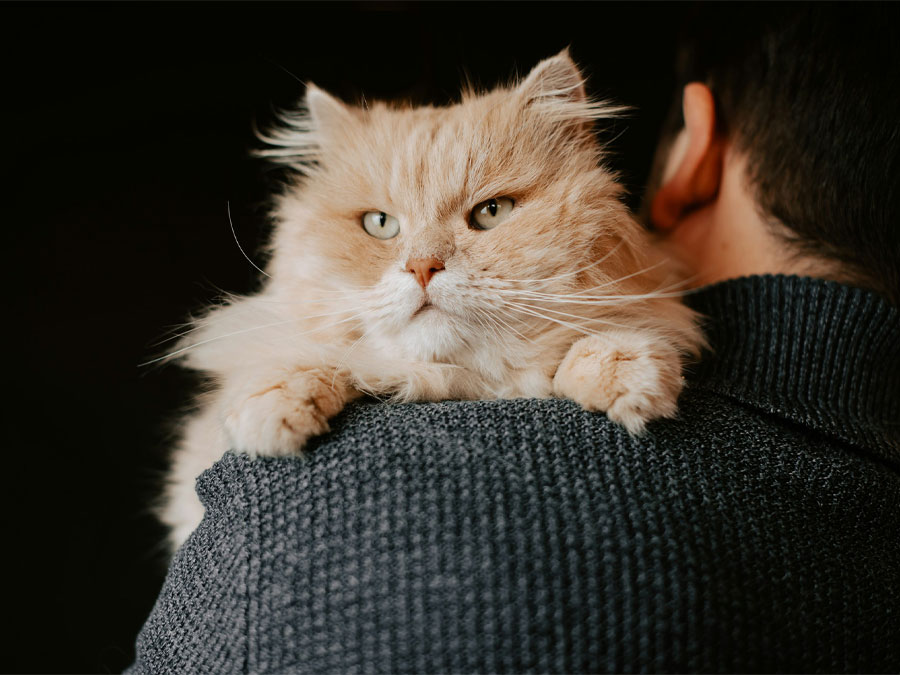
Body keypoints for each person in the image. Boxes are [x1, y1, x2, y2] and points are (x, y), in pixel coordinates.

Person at [128, 5, 899, 672]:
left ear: (697, 150)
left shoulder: (299, 528)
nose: (422, 261)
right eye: (377, 222)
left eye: (489, 210)